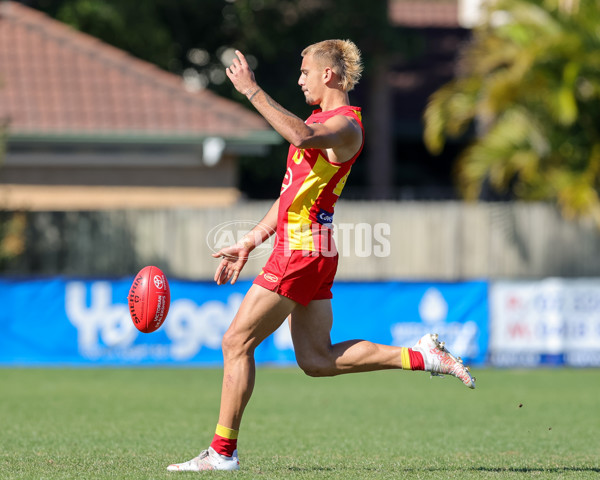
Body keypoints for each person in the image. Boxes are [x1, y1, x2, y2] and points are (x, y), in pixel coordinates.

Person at [167, 39, 475, 473]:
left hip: (302, 249)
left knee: (235, 342)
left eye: (304, 71)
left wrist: (252, 90)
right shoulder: (317, 121)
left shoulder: (346, 125)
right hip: (311, 248)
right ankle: (423, 356)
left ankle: (221, 453)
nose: (299, 79)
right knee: (316, 360)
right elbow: (289, 195)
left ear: (328, 75)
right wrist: (250, 241)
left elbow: (299, 135)